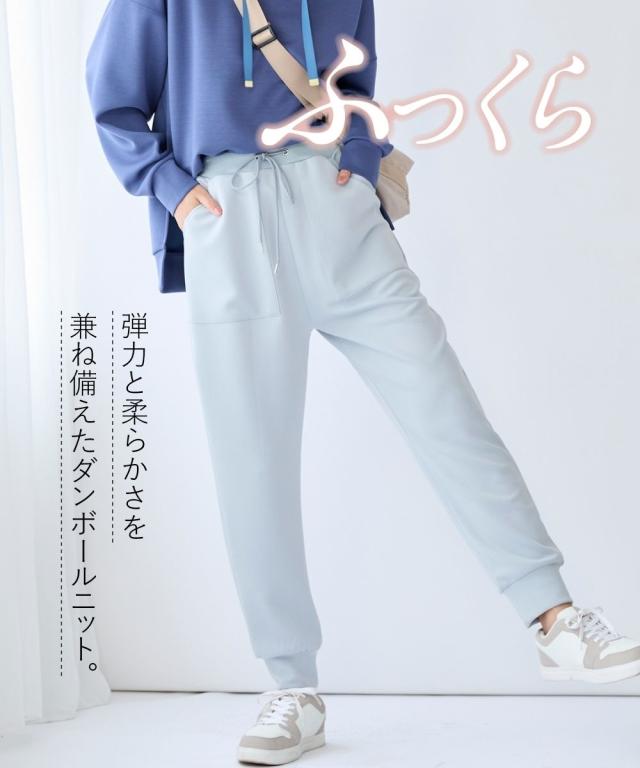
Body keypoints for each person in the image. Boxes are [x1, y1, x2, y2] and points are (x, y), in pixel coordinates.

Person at [85, 1, 640, 764]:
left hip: (337, 207)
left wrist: (360, 163)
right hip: (228, 214)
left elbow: (353, 82)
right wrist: (173, 190)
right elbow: (114, 100)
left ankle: (554, 618)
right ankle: (292, 686)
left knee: (444, 407)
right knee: (252, 460)